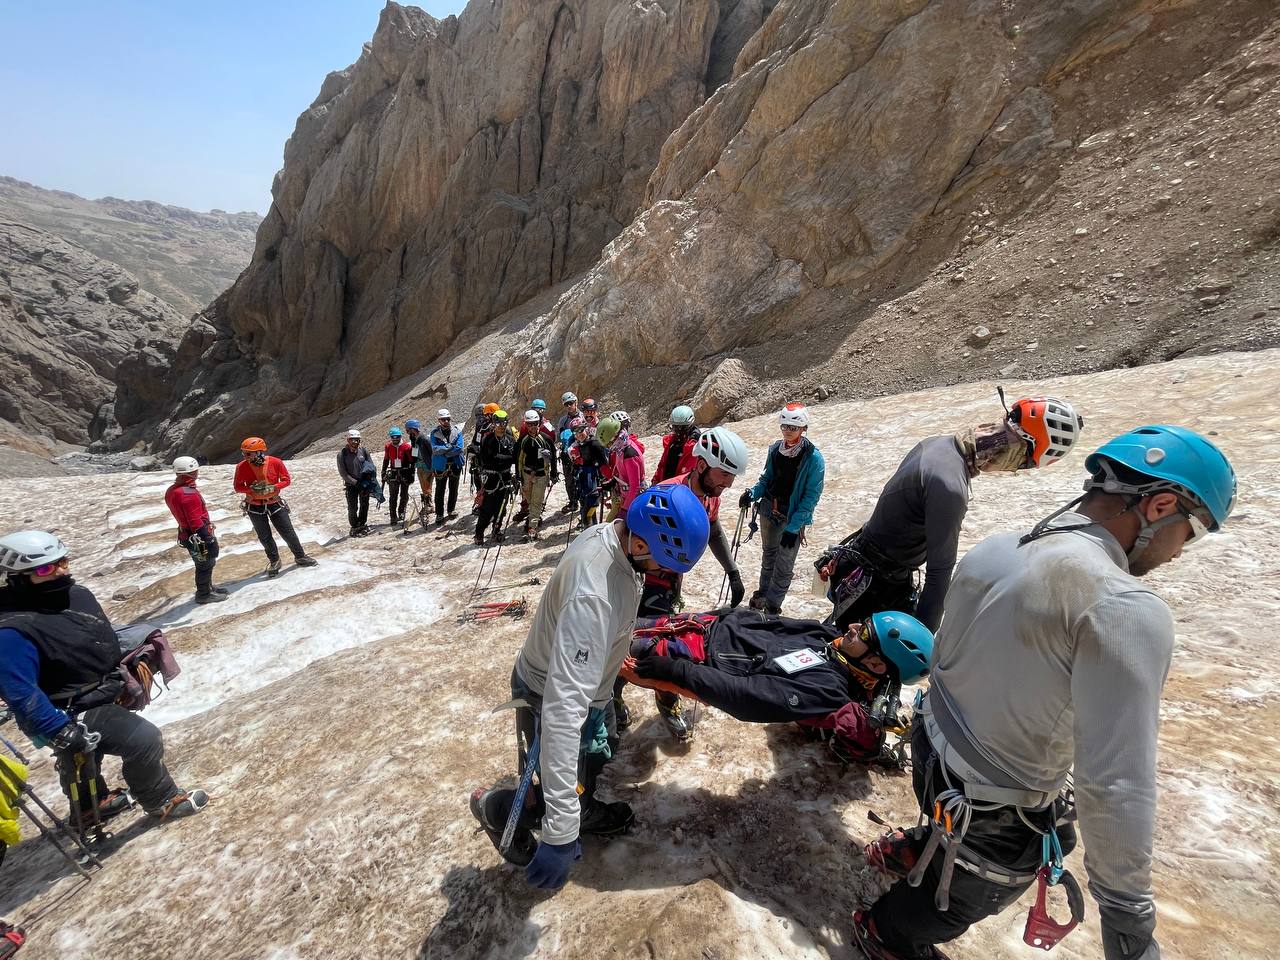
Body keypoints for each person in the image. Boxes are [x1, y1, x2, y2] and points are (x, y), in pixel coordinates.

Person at [858, 425, 1236, 960]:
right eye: (1192, 533)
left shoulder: (998, 547)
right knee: (979, 889)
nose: (1181, 552)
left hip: (930, 747)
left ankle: (924, 847)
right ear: (1160, 506)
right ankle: (889, 934)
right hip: (988, 803)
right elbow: (1117, 782)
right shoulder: (1122, 607)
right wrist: (1127, 913)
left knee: (984, 835)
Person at [469, 484, 711, 891]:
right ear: (639, 544)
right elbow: (562, 713)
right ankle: (495, 810)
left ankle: (580, 806)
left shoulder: (614, 537)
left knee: (600, 752)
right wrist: (561, 833)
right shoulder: (593, 595)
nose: (664, 574)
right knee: (556, 788)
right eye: (663, 563)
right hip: (547, 696)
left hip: (589, 690)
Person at [815, 394, 1083, 632]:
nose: (1014, 469)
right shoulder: (949, 487)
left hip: (858, 564)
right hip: (878, 586)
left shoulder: (935, 444)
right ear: (1018, 445)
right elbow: (939, 573)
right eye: (1023, 462)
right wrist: (924, 638)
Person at [0, 531, 208, 821]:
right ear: (17, 577)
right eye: (45, 569)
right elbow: (21, 692)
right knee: (143, 739)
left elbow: (95, 634)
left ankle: (89, 806)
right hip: (64, 708)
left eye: (62, 562)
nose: (60, 571)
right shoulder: (10, 631)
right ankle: (161, 799)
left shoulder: (77, 595)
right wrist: (58, 729)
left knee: (85, 756)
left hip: (99, 688)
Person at [624, 609, 932, 754]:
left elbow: (746, 698)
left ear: (875, 664)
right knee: (613, 623)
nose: (852, 626)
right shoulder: (831, 641)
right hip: (703, 624)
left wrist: (675, 670)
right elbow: (772, 624)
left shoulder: (827, 688)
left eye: (863, 633)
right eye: (862, 623)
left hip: (693, 653)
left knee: (603, 644)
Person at [628, 426, 750, 739]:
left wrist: (732, 571)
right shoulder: (666, 495)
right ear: (701, 465)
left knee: (662, 645)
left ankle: (667, 700)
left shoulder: (709, 497)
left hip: (669, 582)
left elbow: (714, 530)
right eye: (724, 474)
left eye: (732, 477)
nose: (728, 483)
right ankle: (613, 697)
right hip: (643, 580)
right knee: (629, 641)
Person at [740, 404, 825, 615]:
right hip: (769, 508)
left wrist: (794, 528)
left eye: (793, 427)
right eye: (784, 426)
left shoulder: (813, 458)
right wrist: (752, 494)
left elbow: (811, 497)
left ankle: (772, 607)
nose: (787, 431)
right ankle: (762, 595)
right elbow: (766, 478)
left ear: (803, 428)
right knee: (769, 556)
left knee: (784, 564)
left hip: (792, 516)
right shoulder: (775, 449)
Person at [233, 437, 317, 576]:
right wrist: (251, 490)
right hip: (254, 506)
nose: (245, 456)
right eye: (244, 453)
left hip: (274, 503)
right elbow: (237, 487)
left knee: (288, 532)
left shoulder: (275, 462)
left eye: (248, 453)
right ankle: (274, 561)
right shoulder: (241, 466)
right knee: (264, 536)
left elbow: (286, 480)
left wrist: (273, 487)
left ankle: (300, 556)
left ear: (259, 452)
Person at [164, 457, 227, 604]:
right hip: (197, 535)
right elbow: (194, 520)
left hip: (187, 533)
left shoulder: (172, 490)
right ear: (193, 472)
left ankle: (208, 588)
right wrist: (208, 538)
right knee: (205, 564)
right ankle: (204, 594)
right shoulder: (188, 493)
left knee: (203, 563)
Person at [475, 410, 517, 546]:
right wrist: (507, 458)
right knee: (487, 508)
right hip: (491, 477)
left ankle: (496, 529)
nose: (501, 426)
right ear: (493, 423)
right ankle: (479, 533)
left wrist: (503, 459)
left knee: (501, 507)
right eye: (498, 423)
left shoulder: (510, 439)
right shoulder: (488, 439)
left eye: (504, 423)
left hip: (504, 476)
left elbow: (514, 458)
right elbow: (489, 459)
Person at [516, 409, 559, 541]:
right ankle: (533, 517)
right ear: (526, 424)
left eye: (535, 423)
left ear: (539, 423)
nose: (532, 427)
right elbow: (518, 459)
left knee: (536, 500)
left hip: (541, 474)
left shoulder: (546, 439)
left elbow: (553, 457)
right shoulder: (523, 440)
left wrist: (553, 473)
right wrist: (518, 475)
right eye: (529, 424)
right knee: (530, 499)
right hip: (527, 473)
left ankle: (532, 526)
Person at [601, 417, 646, 522]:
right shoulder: (621, 448)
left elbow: (635, 486)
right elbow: (622, 473)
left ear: (614, 438)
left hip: (634, 501)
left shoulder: (629, 454)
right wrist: (613, 482)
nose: (609, 447)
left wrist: (625, 509)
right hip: (627, 497)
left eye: (609, 444)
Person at [430, 409, 465, 524]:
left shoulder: (457, 432)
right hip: (441, 466)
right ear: (439, 420)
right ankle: (439, 514)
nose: (446, 421)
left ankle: (451, 510)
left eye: (447, 419)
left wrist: (444, 452)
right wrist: (449, 448)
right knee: (440, 490)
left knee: (453, 489)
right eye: (443, 420)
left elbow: (459, 448)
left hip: (454, 464)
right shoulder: (434, 433)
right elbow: (434, 449)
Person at [337, 429, 375, 537]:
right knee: (352, 507)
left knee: (364, 505)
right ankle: (354, 526)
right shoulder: (342, 455)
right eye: (353, 440)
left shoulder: (363, 451)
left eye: (357, 440)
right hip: (351, 486)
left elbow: (370, 466)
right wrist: (356, 483)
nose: (355, 442)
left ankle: (362, 523)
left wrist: (368, 480)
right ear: (348, 440)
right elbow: (343, 473)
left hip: (364, 483)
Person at [652, 405, 700, 485]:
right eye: (675, 427)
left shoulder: (695, 447)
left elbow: (688, 475)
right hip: (667, 486)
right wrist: (655, 481)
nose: (678, 431)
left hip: (679, 489)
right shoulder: (671, 442)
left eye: (682, 427)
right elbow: (662, 465)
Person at [382, 426, 414, 526]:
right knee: (393, 496)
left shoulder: (406, 447)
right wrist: (383, 472)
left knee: (404, 495)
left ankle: (401, 512)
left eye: (397, 437)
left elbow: (412, 461)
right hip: (393, 473)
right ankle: (393, 516)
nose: (395, 439)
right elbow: (386, 459)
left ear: (400, 436)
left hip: (405, 472)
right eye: (393, 437)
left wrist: (412, 474)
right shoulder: (388, 446)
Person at [556, 393, 581, 516]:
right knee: (569, 480)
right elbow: (560, 437)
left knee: (581, 478)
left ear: (576, 402)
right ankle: (573, 502)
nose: (569, 406)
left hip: (581, 453)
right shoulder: (563, 420)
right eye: (566, 404)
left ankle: (583, 501)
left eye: (571, 403)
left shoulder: (583, 417)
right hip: (567, 454)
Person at [406, 418, 435, 522]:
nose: (407, 432)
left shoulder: (424, 439)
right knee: (424, 487)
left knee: (427, 486)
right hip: (420, 466)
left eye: (408, 430)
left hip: (427, 466)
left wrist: (432, 467)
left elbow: (432, 453)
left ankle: (429, 505)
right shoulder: (414, 440)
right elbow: (415, 453)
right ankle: (427, 504)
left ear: (412, 429)